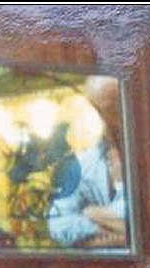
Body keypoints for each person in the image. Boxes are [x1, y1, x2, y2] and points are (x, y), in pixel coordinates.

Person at [48, 75, 129, 248]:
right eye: (99, 109)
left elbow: (148, 227)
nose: (107, 118)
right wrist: (121, 235)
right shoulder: (85, 163)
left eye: (113, 108)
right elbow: (58, 227)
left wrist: (92, 213)